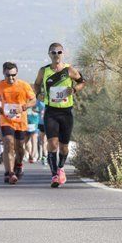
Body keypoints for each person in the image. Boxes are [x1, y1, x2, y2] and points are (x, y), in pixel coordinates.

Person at [33, 43, 85, 187]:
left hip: (66, 112)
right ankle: (55, 174)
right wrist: (38, 94)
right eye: (53, 52)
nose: (56, 55)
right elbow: (36, 84)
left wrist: (74, 90)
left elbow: (82, 82)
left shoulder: (69, 70)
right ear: (49, 54)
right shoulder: (44, 71)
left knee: (64, 147)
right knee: (52, 143)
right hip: (51, 111)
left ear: (63, 53)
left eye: (59, 52)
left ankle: (61, 168)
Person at [0, 62, 35, 184]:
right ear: (3, 73)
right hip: (6, 120)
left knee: (20, 147)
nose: (11, 78)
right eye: (8, 75)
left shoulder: (24, 85)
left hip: (20, 121)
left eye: (13, 75)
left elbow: (33, 100)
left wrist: (24, 107)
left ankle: (19, 164)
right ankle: (9, 173)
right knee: (8, 143)